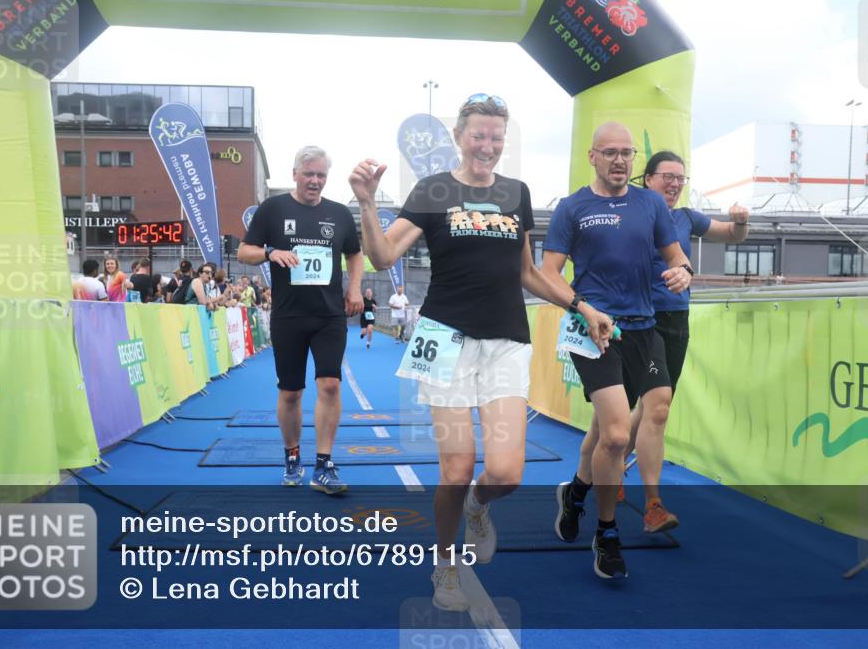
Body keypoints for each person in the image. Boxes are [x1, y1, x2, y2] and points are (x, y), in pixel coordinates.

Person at [349, 94, 613, 611]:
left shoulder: (516, 193)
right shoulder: (433, 190)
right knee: (455, 468)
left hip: (505, 341)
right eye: (478, 135)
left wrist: (582, 307)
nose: (487, 145)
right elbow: (382, 256)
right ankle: (445, 565)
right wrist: (366, 204)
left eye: (496, 137)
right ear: (459, 137)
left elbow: (528, 272)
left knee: (507, 472)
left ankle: (478, 505)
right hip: (443, 340)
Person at [543, 123, 693, 581]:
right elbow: (548, 273)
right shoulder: (572, 207)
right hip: (593, 330)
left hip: (644, 329)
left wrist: (683, 270)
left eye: (626, 153)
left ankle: (576, 493)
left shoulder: (650, 204)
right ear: (592, 157)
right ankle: (607, 534)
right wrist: (583, 308)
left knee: (631, 420)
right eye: (610, 152)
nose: (620, 160)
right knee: (613, 435)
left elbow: (675, 255)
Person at [616, 151, 751, 534]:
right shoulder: (630, 214)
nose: (675, 184)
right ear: (647, 179)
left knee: (652, 408)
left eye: (680, 178)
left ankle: (612, 468)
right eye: (667, 176)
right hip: (640, 321)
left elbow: (733, 235)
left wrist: (741, 220)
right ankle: (653, 505)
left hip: (677, 322)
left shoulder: (686, 218)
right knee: (655, 408)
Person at [238, 145, 364, 494]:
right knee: (291, 391)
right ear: (295, 174)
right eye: (309, 174)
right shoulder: (273, 209)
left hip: (329, 315)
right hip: (289, 315)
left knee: (330, 384)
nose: (315, 181)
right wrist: (270, 252)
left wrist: (355, 288)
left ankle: (324, 465)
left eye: (321, 175)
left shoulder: (339, 213)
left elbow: (355, 254)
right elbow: (244, 252)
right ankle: (292, 456)